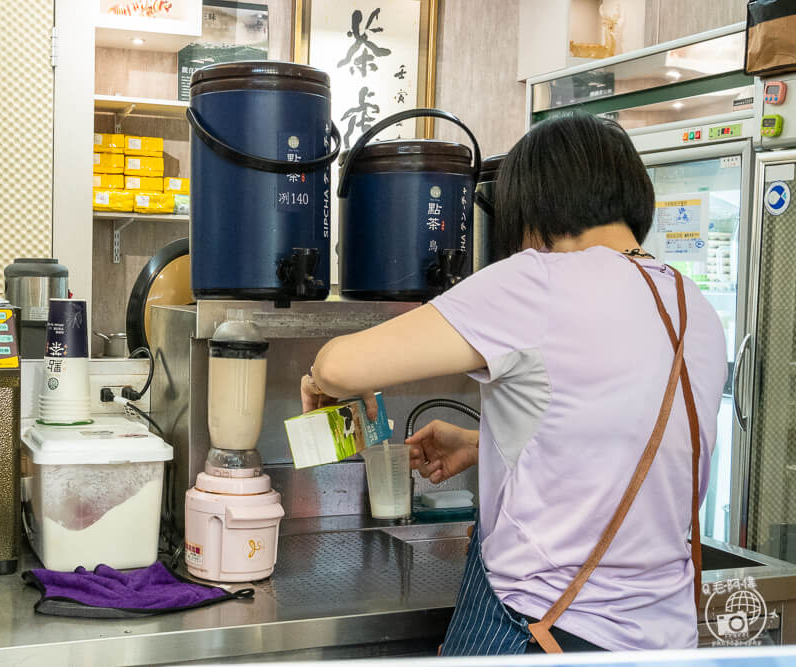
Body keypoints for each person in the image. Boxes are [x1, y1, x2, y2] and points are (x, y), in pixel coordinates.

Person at [300, 113, 726, 654]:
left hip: (542, 629)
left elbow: (342, 366)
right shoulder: (697, 308)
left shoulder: (541, 278)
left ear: (535, 205)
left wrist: (318, 376)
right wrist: (484, 446)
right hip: (664, 640)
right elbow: (629, 440)